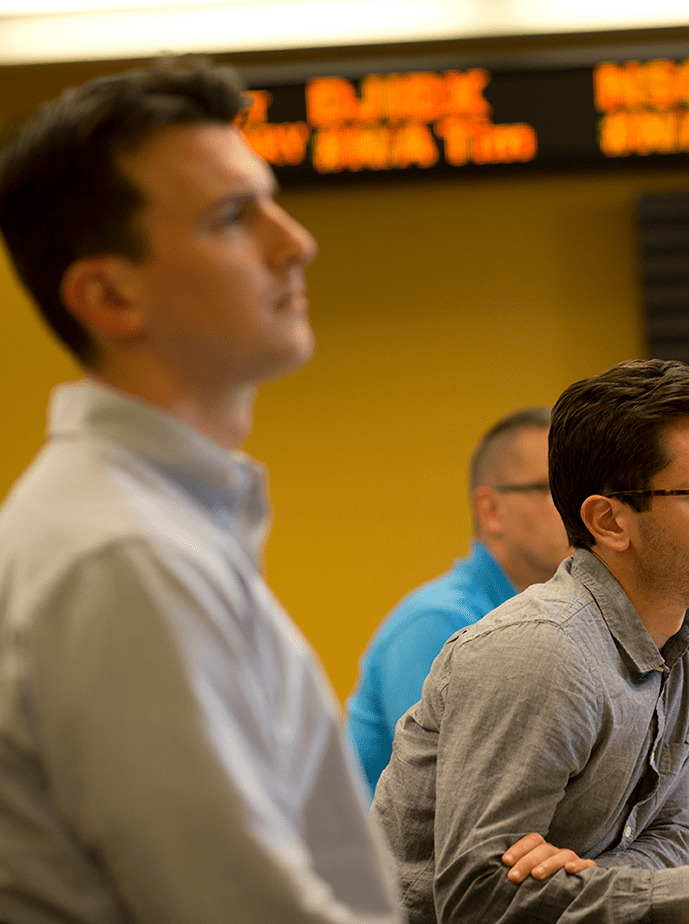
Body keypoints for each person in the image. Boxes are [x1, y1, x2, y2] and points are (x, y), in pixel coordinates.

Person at [0, 58, 402, 923]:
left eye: (271, 199)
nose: (295, 241)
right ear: (109, 295)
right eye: (233, 216)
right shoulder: (122, 553)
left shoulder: (149, 525)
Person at [372, 358, 689, 924]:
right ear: (610, 522)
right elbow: (478, 900)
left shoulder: (683, 643)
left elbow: (680, 832)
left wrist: (591, 876)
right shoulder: (540, 651)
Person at [346, 407, 571, 791]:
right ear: (491, 511)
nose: (578, 506)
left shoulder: (558, 620)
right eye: (553, 488)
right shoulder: (439, 624)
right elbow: (461, 798)